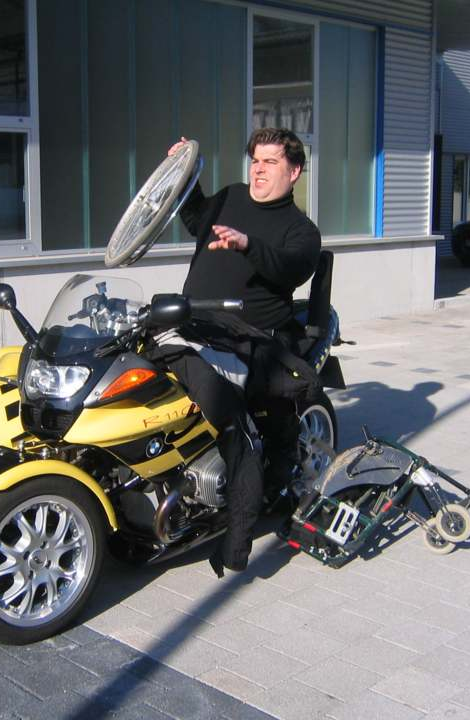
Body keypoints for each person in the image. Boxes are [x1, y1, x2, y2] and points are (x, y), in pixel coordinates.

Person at [155, 128, 321, 576]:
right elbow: (194, 219)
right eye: (255, 160)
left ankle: (237, 532)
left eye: (270, 161)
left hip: (249, 340)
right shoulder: (229, 197)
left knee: (231, 421)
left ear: (295, 171)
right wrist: (182, 174)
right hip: (191, 325)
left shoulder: (301, 230)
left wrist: (247, 244)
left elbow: (290, 268)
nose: (259, 169)